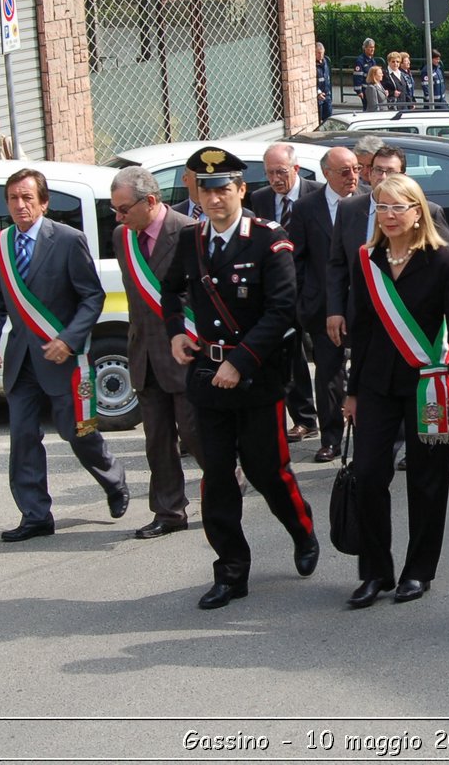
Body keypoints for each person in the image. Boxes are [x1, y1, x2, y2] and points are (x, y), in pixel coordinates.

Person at [160, 147, 320, 610]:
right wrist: (175, 333)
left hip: (257, 381)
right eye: (205, 190)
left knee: (267, 472)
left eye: (223, 189)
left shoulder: (269, 240)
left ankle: (302, 530)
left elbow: (282, 310)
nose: (214, 199)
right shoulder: (191, 240)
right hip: (207, 376)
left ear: (241, 190)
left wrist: (241, 362)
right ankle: (231, 570)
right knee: (217, 477)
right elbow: (169, 291)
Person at [342, 174, 449, 607]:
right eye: (382, 207)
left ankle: (418, 570)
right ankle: (376, 570)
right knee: (370, 474)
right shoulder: (368, 259)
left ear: (418, 212)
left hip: (428, 386)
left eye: (399, 207)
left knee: (427, 479)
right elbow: (359, 328)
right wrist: (352, 390)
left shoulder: (444, 260)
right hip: (377, 385)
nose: (390, 216)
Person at [0, 168, 127, 542]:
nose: (20, 205)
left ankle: (113, 480)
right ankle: (35, 514)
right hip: (22, 361)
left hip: (63, 358)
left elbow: (92, 296)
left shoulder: (67, 240)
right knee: (23, 438)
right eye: (13, 198)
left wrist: (68, 338)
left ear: (43, 203)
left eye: (27, 198)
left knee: (78, 433)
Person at [110, 166, 201, 539]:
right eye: (114, 210)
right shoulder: (122, 237)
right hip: (144, 353)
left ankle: (227, 480)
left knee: (195, 435)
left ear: (150, 201)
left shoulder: (189, 232)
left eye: (123, 209)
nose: (118, 217)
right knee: (157, 440)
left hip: (185, 352)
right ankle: (169, 510)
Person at [326, 145, 449, 351]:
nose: (383, 177)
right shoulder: (348, 208)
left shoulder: (429, 211)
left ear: (403, 175)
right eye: (377, 170)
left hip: (413, 321)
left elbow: (446, 268)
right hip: (364, 317)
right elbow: (337, 266)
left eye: (390, 171)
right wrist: (335, 310)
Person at [287, 147, 362, 463]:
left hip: (366, 304)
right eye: (344, 171)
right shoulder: (306, 208)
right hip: (323, 307)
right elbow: (297, 258)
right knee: (329, 373)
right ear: (326, 174)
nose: (353, 177)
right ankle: (331, 438)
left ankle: (373, 436)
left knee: (367, 372)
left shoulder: (371, 199)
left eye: (356, 169)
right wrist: (307, 299)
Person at [250, 144, 320, 442]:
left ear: (296, 168)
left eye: (281, 172)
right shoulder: (260, 198)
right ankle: (304, 418)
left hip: (313, 287)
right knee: (290, 355)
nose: (276, 179)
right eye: (270, 173)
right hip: (279, 290)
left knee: (327, 357)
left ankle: (336, 412)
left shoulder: (316, 194)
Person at [353, 37, 377, 102]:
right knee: (367, 108)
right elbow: (357, 77)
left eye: (373, 47)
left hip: (372, 88)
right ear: (365, 48)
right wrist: (359, 91)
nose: (372, 49)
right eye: (370, 47)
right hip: (365, 89)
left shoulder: (372, 60)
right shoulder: (360, 61)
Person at [314, 43, 333, 122]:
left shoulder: (326, 61)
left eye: (322, 52)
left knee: (328, 119)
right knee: (319, 120)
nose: (320, 55)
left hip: (327, 95)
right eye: (318, 53)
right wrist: (318, 92)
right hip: (319, 98)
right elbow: (313, 82)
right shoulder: (313, 64)